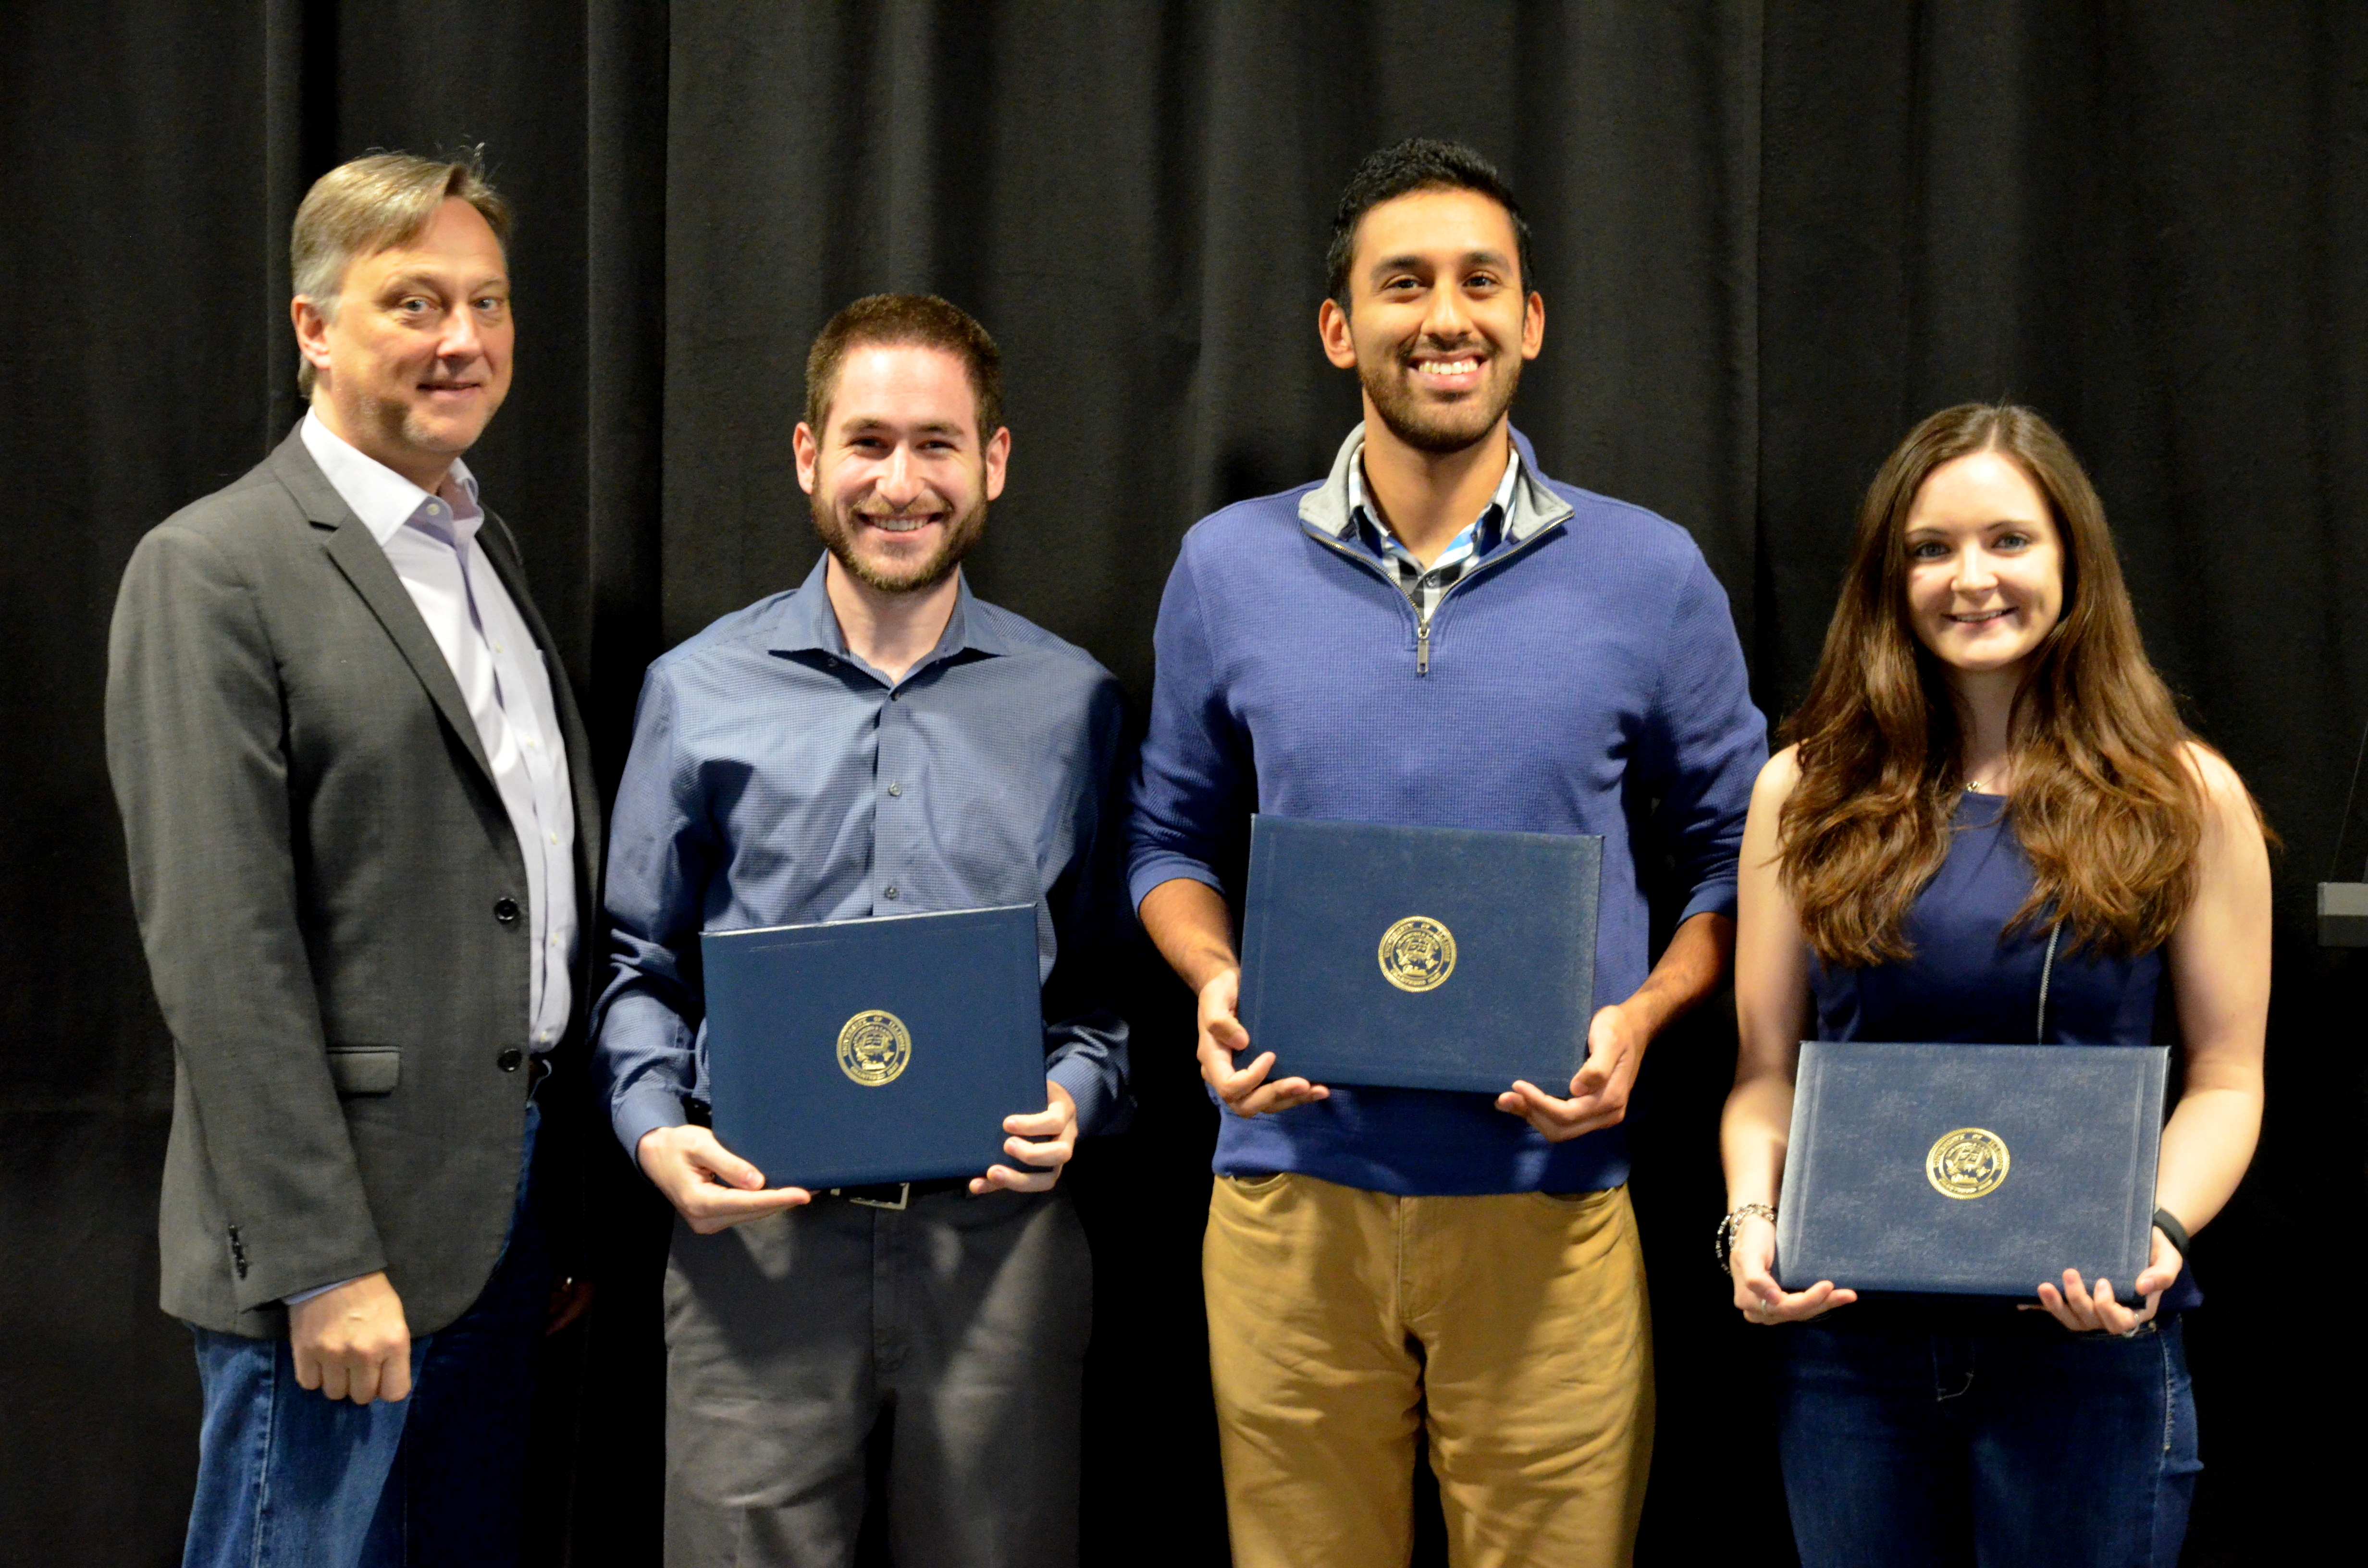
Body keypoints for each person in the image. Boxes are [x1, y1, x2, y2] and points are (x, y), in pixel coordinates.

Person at [1129, 138, 1767, 1567]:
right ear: (1340, 329)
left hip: (1551, 1211)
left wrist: (1650, 1017)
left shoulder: (1650, 572)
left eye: (1482, 281)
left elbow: (1740, 858)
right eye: (1403, 283)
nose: (1447, 316)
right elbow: (1165, 838)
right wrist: (1214, 974)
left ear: (1531, 319)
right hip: (1291, 1197)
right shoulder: (1226, 567)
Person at [105, 152, 600, 1568]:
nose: (466, 339)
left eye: (490, 302)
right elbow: (221, 948)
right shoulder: (215, 568)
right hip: (342, 1257)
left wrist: (546, 1206)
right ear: (314, 329)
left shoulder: (479, 550)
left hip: (501, 1233)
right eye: (416, 302)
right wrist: (323, 1262)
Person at [592, 294, 1129, 1568]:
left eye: (938, 444)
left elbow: (1103, 995)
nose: (902, 482)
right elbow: (639, 970)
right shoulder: (696, 692)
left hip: (999, 1255)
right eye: (869, 442)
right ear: (807, 457)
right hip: (754, 1255)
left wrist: (1078, 1096)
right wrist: (655, 1131)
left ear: (993, 462)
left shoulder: (1074, 702)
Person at [1718, 403, 2270, 1565]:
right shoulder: (1800, 792)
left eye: (2008, 541)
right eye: (1930, 549)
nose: (1970, 579)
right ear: (1888, 576)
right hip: (1850, 1352)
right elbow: (1765, 1077)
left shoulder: (2187, 797)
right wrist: (1753, 1224)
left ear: (2073, 558)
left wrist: (2154, 1228)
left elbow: (2228, 1077)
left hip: (2088, 1347)